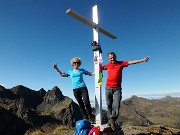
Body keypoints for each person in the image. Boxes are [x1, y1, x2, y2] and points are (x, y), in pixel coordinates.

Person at [102, 52, 149, 130]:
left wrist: (142, 60)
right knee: (109, 104)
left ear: (115, 57)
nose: (112, 58)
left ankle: (113, 120)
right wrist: (91, 73)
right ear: (108, 59)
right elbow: (99, 69)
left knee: (116, 105)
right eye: (110, 58)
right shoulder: (107, 65)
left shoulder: (121, 63)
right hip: (108, 87)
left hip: (117, 88)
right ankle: (110, 119)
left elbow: (131, 62)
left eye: (113, 57)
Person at [53, 57, 95, 123]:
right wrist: (56, 68)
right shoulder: (70, 72)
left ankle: (91, 117)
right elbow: (62, 75)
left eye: (78, 63)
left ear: (79, 64)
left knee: (86, 102)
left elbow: (90, 73)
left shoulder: (82, 70)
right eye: (75, 63)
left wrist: (97, 71)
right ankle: (86, 118)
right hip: (75, 90)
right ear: (73, 64)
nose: (76, 64)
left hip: (83, 88)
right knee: (81, 104)